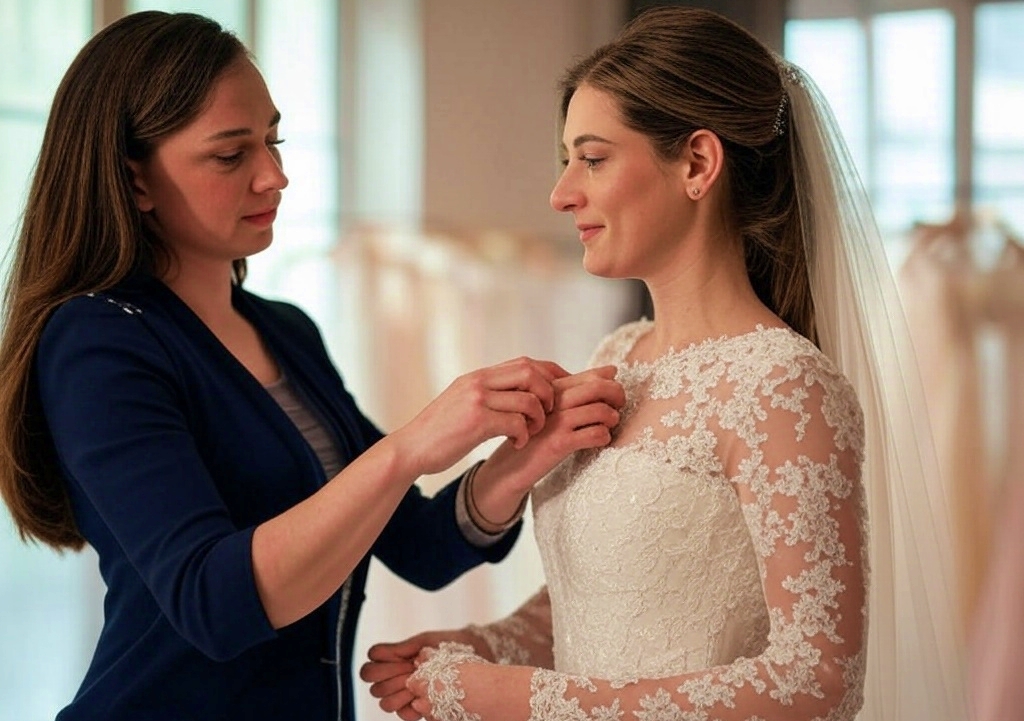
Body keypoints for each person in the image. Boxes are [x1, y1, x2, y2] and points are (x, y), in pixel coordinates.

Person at [0, 11, 625, 721]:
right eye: (232, 155)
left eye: (273, 139)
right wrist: (411, 445)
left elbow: (419, 545)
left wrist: (526, 455)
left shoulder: (284, 330)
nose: (275, 174)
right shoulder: (98, 343)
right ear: (135, 180)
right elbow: (216, 603)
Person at [360, 7, 971, 721]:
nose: (561, 194)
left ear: (698, 163)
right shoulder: (618, 356)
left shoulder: (783, 385)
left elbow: (817, 680)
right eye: (567, 161)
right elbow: (609, 597)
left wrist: (523, 698)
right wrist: (486, 644)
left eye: (591, 158)